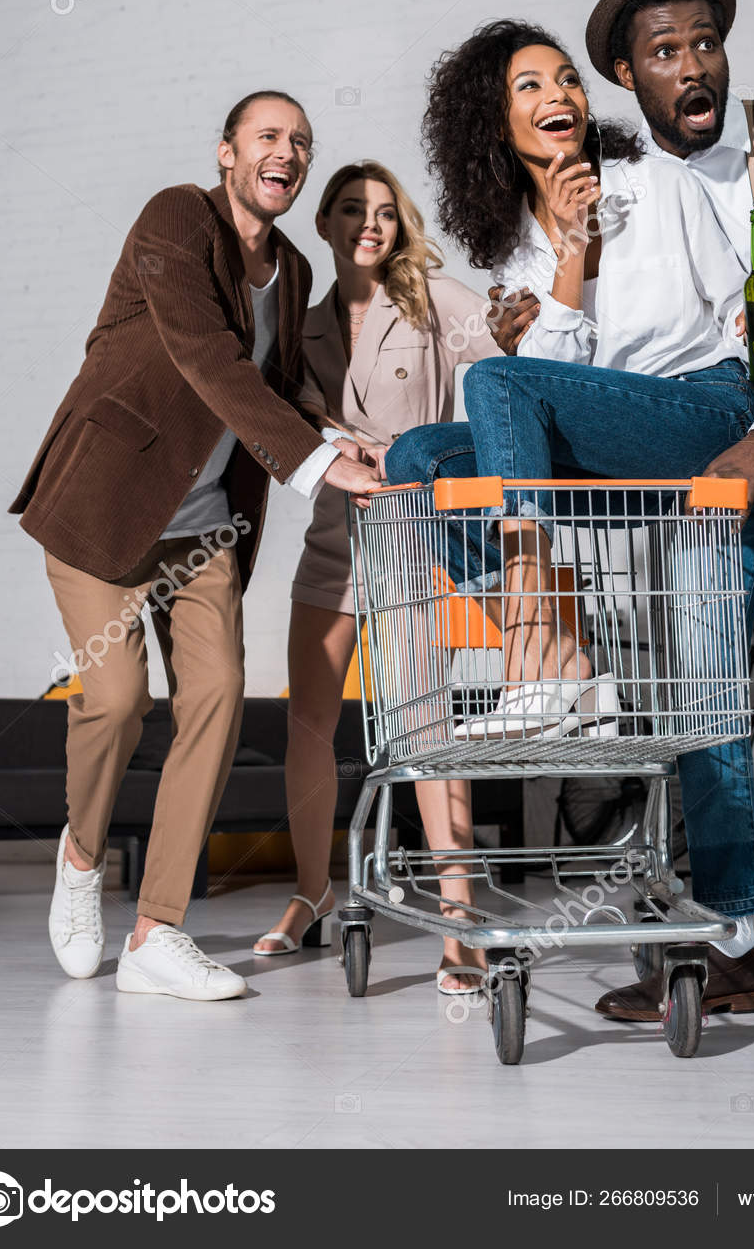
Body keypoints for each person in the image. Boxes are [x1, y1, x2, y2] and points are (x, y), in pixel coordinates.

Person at [499, 0, 754, 1020]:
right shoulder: (625, 186)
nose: (693, 66)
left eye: (704, 42)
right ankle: (734, 945)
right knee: (706, 686)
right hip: (715, 442)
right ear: (629, 75)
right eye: (665, 52)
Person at [10, 91, 379, 1002]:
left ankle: (155, 933)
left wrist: (339, 432)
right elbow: (206, 358)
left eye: (299, 141)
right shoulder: (176, 218)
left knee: (214, 697)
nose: (285, 152)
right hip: (108, 504)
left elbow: (275, 384)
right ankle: (83, 856)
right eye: (266, 137)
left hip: (205, 522)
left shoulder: (290, 269)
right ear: (227, 153)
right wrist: (317, 463)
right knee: (118, 697)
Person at [386, 20, 754, 746]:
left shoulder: (658, 183)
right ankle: (564, 659)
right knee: (418, 459)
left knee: (495, 379)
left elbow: (740, 303)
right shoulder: (516, 244)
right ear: (496, 121)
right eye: (532, 85)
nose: (561, 94)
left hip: (704, 413)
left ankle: (534, 671)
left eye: (568, 79)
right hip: (607, 459)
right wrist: (570, 251)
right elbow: (554, 378)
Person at [253, 161, 497, 993]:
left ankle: (458, 921)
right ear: (323, 222)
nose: (370, 223)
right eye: (354, 209)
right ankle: (312, 893)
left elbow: (510, 361)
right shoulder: (303, 324)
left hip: (413, 546)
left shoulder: (432, 303)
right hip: (331, 546)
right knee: (309, 727)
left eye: (385, 212)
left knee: (427, 732)